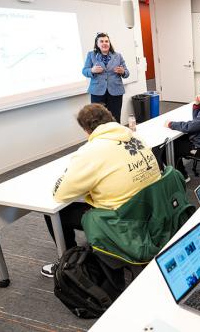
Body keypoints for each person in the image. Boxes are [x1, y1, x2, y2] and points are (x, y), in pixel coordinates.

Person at [41, 104, 161, 277]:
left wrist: (69, 171)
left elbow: (60, 194)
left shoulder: (90, 152)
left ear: (86, 130)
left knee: (55, 214)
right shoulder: (136, 138)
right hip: (149, 210)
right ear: (111, 118)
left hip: (120, 218)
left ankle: (70, 264)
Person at [82, 33, 130, 123]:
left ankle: (116, 136)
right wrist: (92, 70)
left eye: (106, 41)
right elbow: (84, 71)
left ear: (109, 43)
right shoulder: (91, 55)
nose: (104, 43)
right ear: (97, 44)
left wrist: (122, 71)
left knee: (115, 117)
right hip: (97, 92)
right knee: (97, 119)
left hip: (116, 91)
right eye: (101, 41)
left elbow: (127, 73)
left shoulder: (117, 56)